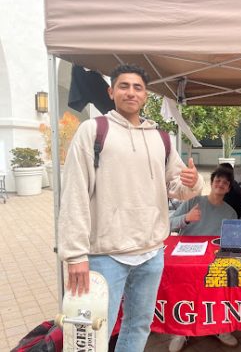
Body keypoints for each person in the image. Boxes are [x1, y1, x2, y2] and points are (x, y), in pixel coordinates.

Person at [57, 64, 204, 352]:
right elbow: (74, 194)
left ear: (146, 95)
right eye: (124, 86)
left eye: (138, 87)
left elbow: (176, 186)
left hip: (151, 252)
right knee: (94, 334)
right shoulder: (93, 130)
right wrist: (74, 255)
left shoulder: (160, 137)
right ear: (111, 92)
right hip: (106, 255)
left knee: (139, 324)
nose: (131, 92)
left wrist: (193, 182)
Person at [168, 165, 238, 351]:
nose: (220, 184)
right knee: (182, 287)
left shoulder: (230, 213)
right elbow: (167, 225)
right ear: (211, 182)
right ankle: (182, 330)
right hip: (187, 254)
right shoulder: (194, 202)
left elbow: (232, 240)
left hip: (214, 258)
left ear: (229, 188)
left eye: (225, 183)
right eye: (218, 181)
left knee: (226, 280)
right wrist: (187, 218)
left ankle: (220, 326)